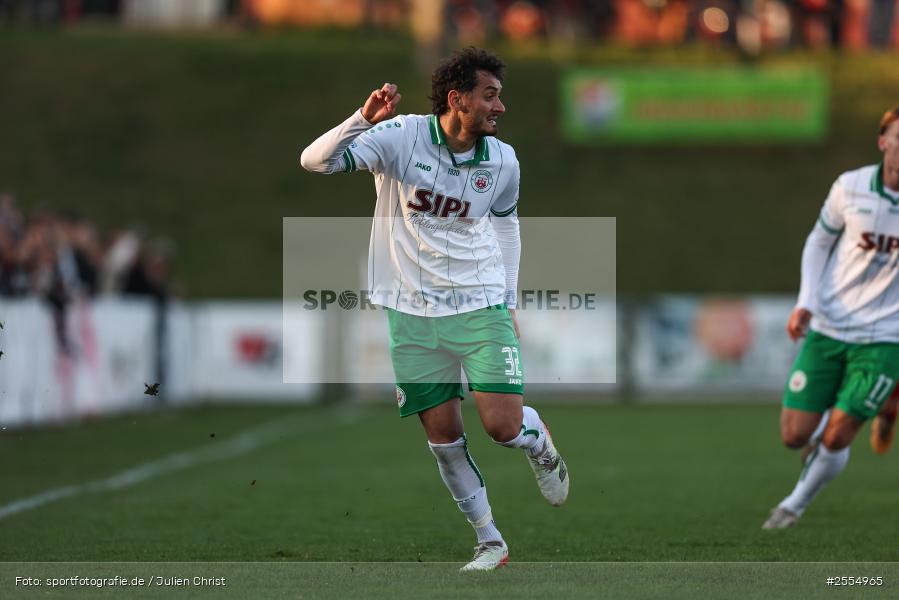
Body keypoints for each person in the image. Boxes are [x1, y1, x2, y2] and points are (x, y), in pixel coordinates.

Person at [300, 47, 569, 569]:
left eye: (500, 96)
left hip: (479, 303)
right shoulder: (401, 137)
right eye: (490, 96)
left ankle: (540, 446)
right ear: (457, 99)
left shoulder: (504, 160)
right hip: (411, 312)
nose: (500, 107)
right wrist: (360, 121)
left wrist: (509, 299)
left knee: (502, 428)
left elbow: (507, 226)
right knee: (444, 440)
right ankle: (490, 541)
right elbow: (314, 160)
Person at [763, 106, 899, 529]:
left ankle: (792, 505)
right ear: (883, 141)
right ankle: (883, 407)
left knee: (838, 435)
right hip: (829, 327)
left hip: (885, 337)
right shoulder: (851, 186)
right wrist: (806, 301)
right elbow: (819, 240)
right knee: (794, 436)